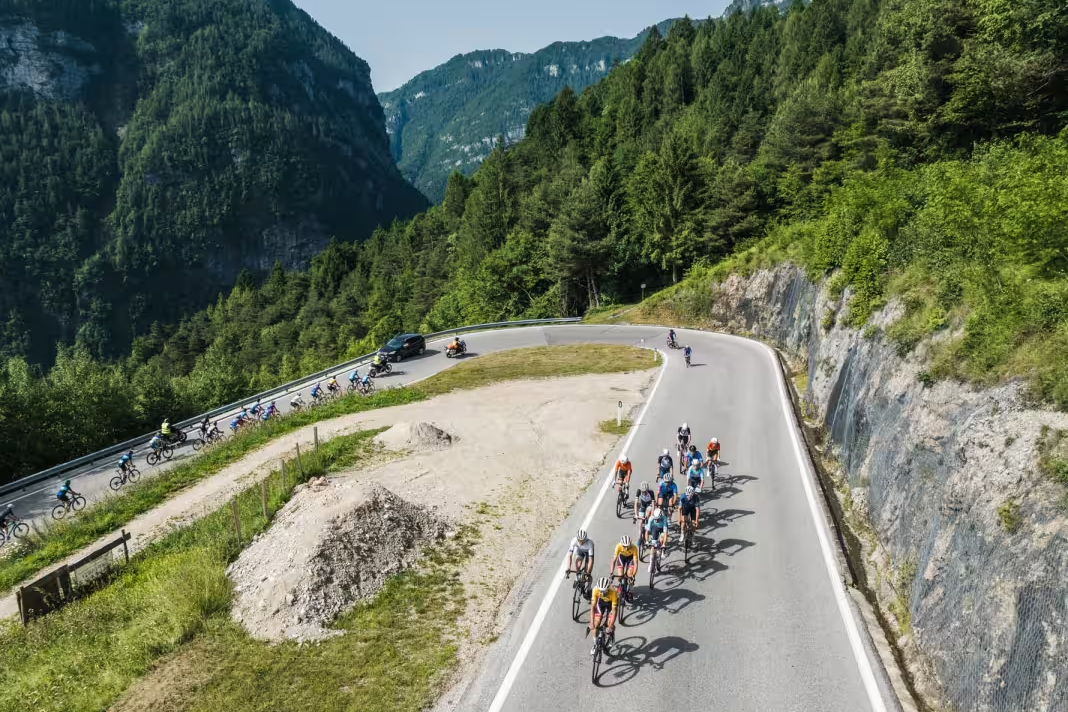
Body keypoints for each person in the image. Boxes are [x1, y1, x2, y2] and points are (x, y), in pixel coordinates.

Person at [587, 577, 619, 655]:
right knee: (596, 624)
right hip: (600, 603)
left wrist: (610, 626)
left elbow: (614, 611)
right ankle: (595, 645)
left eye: (603, 591)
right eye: (600, 591)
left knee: (609, 624)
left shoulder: (613, 592)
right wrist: (592, 622)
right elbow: (592, 607)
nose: (601, 593)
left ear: (608, 588)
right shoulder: (595, 589)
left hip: (611, 604)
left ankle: (611, 636)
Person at [566, 530, 595, 597]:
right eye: (579, 541)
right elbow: (570, 555)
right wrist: (568, 568)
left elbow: (591, 560)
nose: (581, 542)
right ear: (577, 539)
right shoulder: (574, 540)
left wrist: (587, 572)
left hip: (588, 553)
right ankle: (577, 578)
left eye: (583, 541)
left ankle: (589, 588)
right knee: (578, 565)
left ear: (585, 539)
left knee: (588, 574)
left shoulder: (590, 543)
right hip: (580, 551)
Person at [611, 535, 639, 602]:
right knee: (620, 575)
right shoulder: (618, 546)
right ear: (622, 544)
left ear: (630, 543)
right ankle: (621, 585)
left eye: (628, 546)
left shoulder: (634, 548)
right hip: (622, 557)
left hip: (630, 558)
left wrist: (633, 575)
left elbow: (636, 563)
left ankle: (630, 590)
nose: (626, 548)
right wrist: (611, 573)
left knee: (629, 574)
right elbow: (614, 560)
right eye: (624, 546)